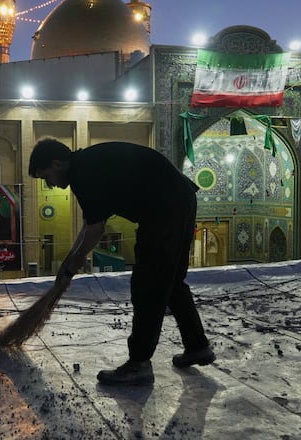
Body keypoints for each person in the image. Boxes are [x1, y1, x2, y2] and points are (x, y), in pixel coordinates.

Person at [28, 137, 214, 386]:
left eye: (46, 176)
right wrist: (70, 260)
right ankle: (197, 346)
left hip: (164, 209)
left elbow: (96, 230)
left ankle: (138, 364)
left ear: (58, 164)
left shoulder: (83, 175)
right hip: (180, 199)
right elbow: (90, 224)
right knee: (170, 281)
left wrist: (74, 264)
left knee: (148, 285)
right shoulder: (85, 165)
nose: (49, 184)